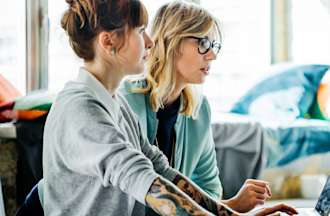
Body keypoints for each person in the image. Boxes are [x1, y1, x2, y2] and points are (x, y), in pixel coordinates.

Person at [22, 0, 297, 215]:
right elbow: (141, 179)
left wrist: (228, 213)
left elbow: (159, 170)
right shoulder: (82, 107)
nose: (151, 42)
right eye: (141, 31)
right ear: (108, 43)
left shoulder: (114, 103)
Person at [120, 0, 276, 213]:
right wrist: (231, 209)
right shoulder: (125, 101)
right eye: (203, 44)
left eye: (214, 46)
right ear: (172, 42)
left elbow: (209, 187)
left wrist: (230, 209)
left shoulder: (199, 110)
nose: (212, 55)